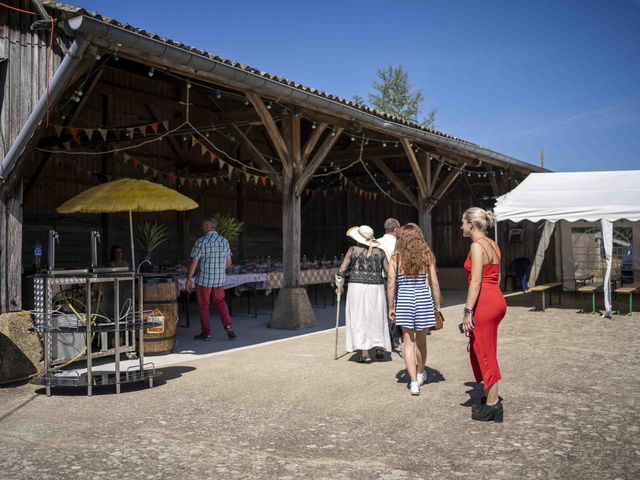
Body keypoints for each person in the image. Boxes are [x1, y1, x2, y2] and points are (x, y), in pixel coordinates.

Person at [461, 207, 507, 422]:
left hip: (485, 303)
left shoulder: (476, 246)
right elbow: (495, 277)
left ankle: (493, 404)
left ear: (471, 224)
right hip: (496, 299)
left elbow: (477, 281)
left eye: (463, 222)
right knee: (487, 350)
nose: (461, 226)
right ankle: (491, 397)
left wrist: (468, 311)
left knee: (485, 352)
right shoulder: (493, 245)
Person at [387, 223, 442, 396]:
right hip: (423, 300)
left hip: (404, 300)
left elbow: (390, 283)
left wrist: (391, 306)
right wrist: (437, 304)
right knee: (421, 341)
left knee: (407, 342)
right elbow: (434, 282)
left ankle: (413, 383)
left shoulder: (396, 258)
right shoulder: (426, 255)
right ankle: (420, 373)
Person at [337, 225, 391, 362]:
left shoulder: (353, 250)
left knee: (359, 317)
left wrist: (340, 286)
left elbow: (342, 269)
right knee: (377, 316)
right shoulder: (380, 252)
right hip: (376, 287)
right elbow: (389, 272)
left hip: (357, 288)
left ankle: (365, 353)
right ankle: (379, 347)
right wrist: (389, 287)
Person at [186, 217, 236, 340]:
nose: (201, 228)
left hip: (204, 280)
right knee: (220, 302)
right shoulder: (224, 241)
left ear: (208, 226)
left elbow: (194, 262)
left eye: (203, 225)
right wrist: (219, 269)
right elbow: (229, 263)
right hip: (219, 280)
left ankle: (206, 333)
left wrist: (189, 278)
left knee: (204, 305)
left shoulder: (201, 242)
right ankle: (228, 327)